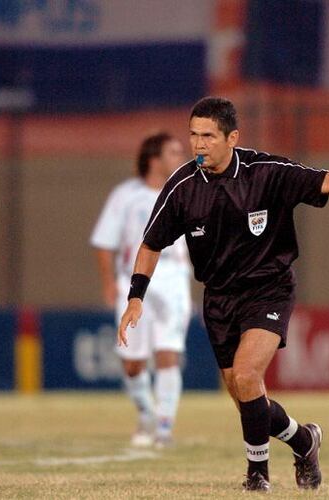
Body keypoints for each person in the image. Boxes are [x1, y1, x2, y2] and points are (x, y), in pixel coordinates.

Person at [118, 96, 329, 492]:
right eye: (193, 135)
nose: (198, 144)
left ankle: (257, 476)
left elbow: (325, 180)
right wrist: (136, 297)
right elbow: (151, 244)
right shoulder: (182, 186)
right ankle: (304, 441)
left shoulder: (267, 171)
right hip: (219, 298)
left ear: (232, 137)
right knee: (246, 398)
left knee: (249, 375)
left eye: (208, 136)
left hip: (268, 288)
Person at [91, 132, 192, 449]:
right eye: (173, 152)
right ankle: (147, 412)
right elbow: (105, 242)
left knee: (168, 353)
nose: (181, 157)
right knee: (133, 362)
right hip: (134, 281)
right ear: (154, 160)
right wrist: (109, 283)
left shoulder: (187, 190)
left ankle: (164, 427)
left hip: (174, 278)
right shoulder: (126, 196)